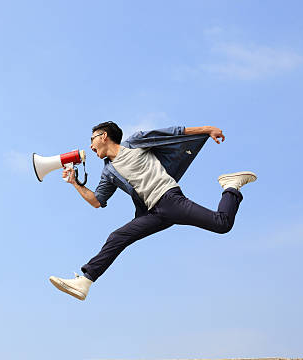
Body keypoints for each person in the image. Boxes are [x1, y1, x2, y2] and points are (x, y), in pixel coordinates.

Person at [49, 121, 257, 301]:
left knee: (221, 224)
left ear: (104, 136)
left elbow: (174, 132)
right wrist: (75, 183)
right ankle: (85, 282)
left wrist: (207, 129)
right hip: (153, 212)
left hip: (168, 199)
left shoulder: (136, 142)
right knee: (118, 236)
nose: (90, 146)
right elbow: (96, 201)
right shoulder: (108, 172)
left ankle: (231, 186)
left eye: (92, 139)